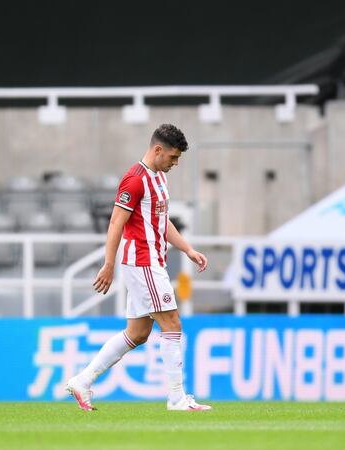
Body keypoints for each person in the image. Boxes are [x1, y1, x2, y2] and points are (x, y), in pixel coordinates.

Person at [66, 124, 211, 412]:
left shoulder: (158, 178)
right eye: (172, 157)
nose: (175, 163)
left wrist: (188, 249)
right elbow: (116, 222)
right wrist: (108, 264)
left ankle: (83, 380)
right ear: (157, 150)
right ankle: (177, 399)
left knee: (138, 332)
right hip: (142, 261)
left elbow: (161, 221)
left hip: (152, 261)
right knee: (172, 325)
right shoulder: (134, 180)